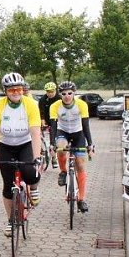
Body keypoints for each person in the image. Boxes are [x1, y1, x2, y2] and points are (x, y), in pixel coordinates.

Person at [0, 72, 42, 236]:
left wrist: (37, 157)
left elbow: (35, 133)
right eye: (12, 90)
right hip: (5, 145)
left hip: (25, 144)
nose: (16, 93)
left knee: (30, 172)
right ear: (5, 91)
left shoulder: (30, 104)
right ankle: (11, 220)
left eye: (19, 89)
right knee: (7, 186)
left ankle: (34, 187)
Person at [49, 80, 94, 213]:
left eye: (70, 93)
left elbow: (86, 125)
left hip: (78, 133)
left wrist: (90, 144)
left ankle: (81, 200)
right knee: (61, 148)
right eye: (63, 94)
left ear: (74, 93)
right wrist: (52, 144)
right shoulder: (55, 106)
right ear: (60, 95)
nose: (67, 96)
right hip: (62, 132)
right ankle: (63, 171)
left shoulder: (81, 104)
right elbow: (53, 127)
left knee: (80, 165)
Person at [38, 82, 59, 161]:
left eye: (52, 91)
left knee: (55, 139)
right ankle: (44, 153)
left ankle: (54, 156)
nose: (50, 93)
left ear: (55, 90)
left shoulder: (59, 98)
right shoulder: (43, 99)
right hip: (47, 120)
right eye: (48, 91)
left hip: (57, 120)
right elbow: (41, 113)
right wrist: (43, 122)